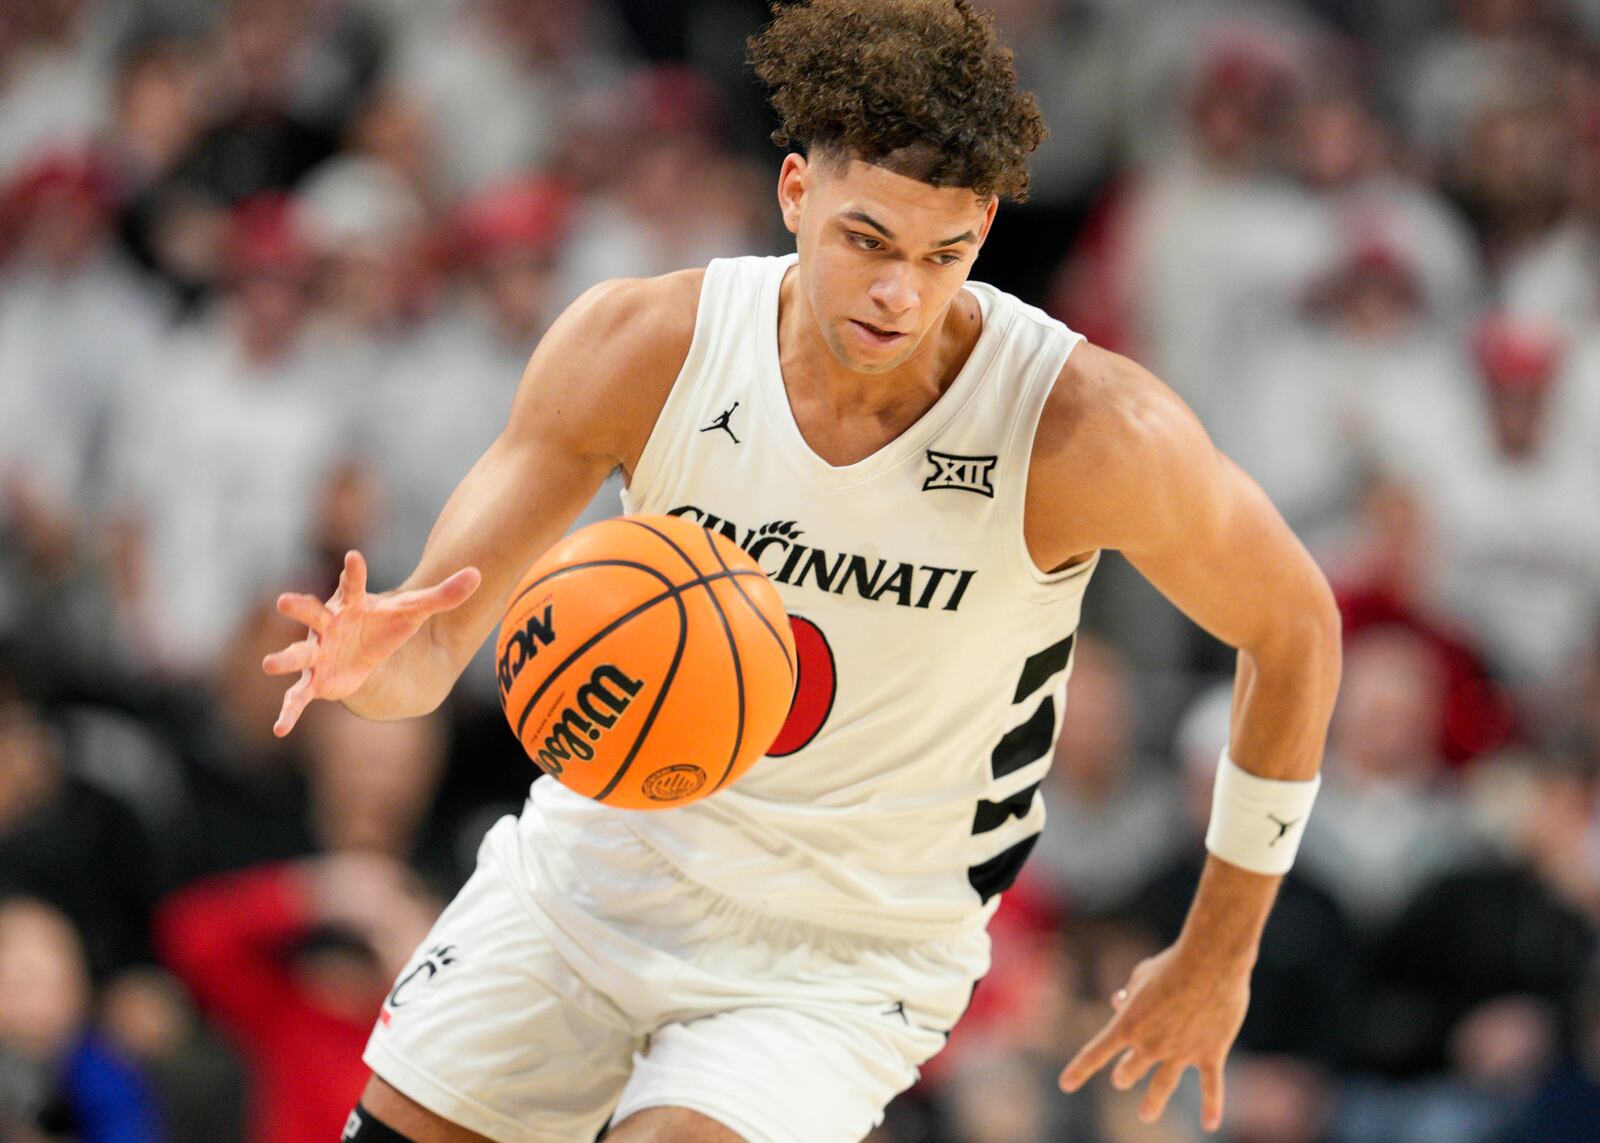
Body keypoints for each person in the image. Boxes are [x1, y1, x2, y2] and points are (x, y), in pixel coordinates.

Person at [263, 3, 1342, 1140]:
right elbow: (426, 649)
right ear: (793, 194)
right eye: (866, 241)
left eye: (940, 256)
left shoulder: (1089, 431)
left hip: (844, 948)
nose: (898, 295)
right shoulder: (644, 347)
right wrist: (370, 668)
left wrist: (1219, 951)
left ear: (982, 226)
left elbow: (1296, 630)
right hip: (596, 869)